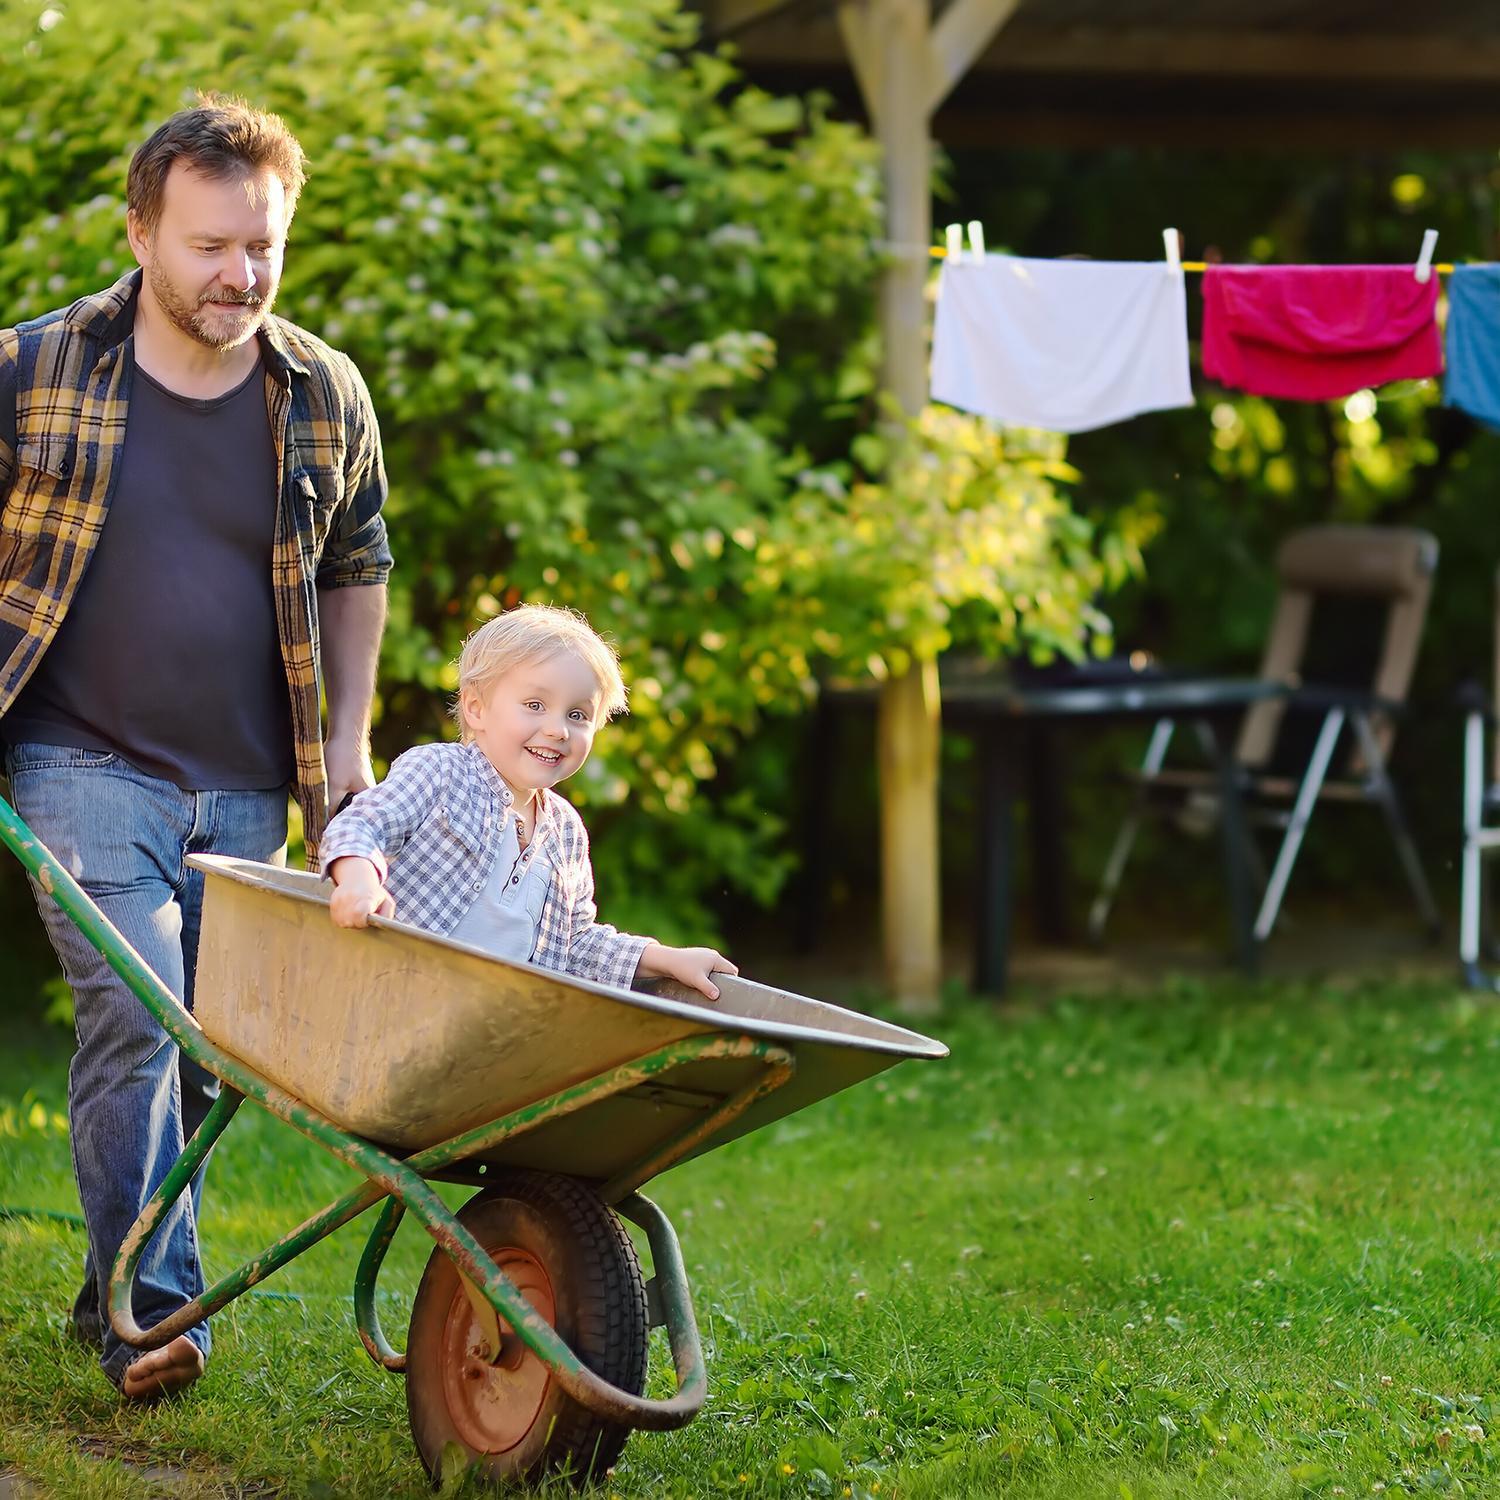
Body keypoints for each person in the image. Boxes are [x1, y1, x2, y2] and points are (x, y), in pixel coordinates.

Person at [0, 98, 391, 1400]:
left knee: (205, 1049)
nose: (239, 275)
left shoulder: (321, 390)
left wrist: (346, 754)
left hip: (247, 783)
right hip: (76, 760)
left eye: (262, 248)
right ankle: (156, 1321)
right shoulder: (34, 370)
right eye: (211, 245)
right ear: (141, 233)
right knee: (138, 1018)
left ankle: (114, 1274)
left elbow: (358, 564)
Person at [321, 605, 735, 1001]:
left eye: (578, 715)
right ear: (476, 708)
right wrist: (360, 880)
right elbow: (361, 826)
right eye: (535, 705)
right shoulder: (440, 772)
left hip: (487, 1030)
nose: (557, 730)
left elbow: (576, 944)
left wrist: (667, 959)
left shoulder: (566, 831)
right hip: (392, 993)